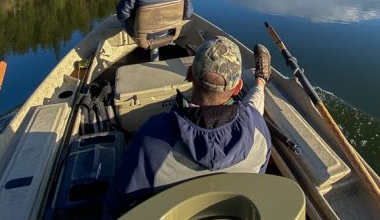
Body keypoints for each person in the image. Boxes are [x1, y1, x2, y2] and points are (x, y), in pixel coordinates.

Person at [104, 36, 272, 218]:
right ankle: (260, 82)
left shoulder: (152, 139)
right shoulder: (258, 131)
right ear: (238, 87)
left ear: (190, 74)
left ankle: (261, 81)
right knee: (252, 107)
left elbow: (119, 205)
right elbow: (258, 180)